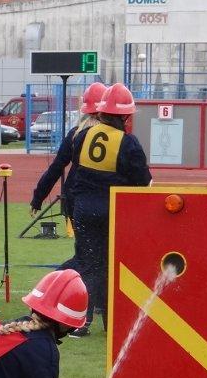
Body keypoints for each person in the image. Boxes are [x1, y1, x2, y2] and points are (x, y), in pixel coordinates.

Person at [64, 83, 152, 337]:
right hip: (114, 212)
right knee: (113, 266)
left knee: (88, 263)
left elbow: (75, 176)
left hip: (82, 210)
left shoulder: (82, 137)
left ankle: (82, 323)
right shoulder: (128, 143)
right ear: (125, 115)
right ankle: (113, 324)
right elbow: (143, 182)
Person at [29, 82, 106, 272]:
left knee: (86, 254)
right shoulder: (117, 137)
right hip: (105, 202)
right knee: (98, 255)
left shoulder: (75, 134)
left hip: (76, 201)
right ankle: (54, 288)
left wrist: (38, 197)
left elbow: (56, 168)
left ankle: (68, 290)